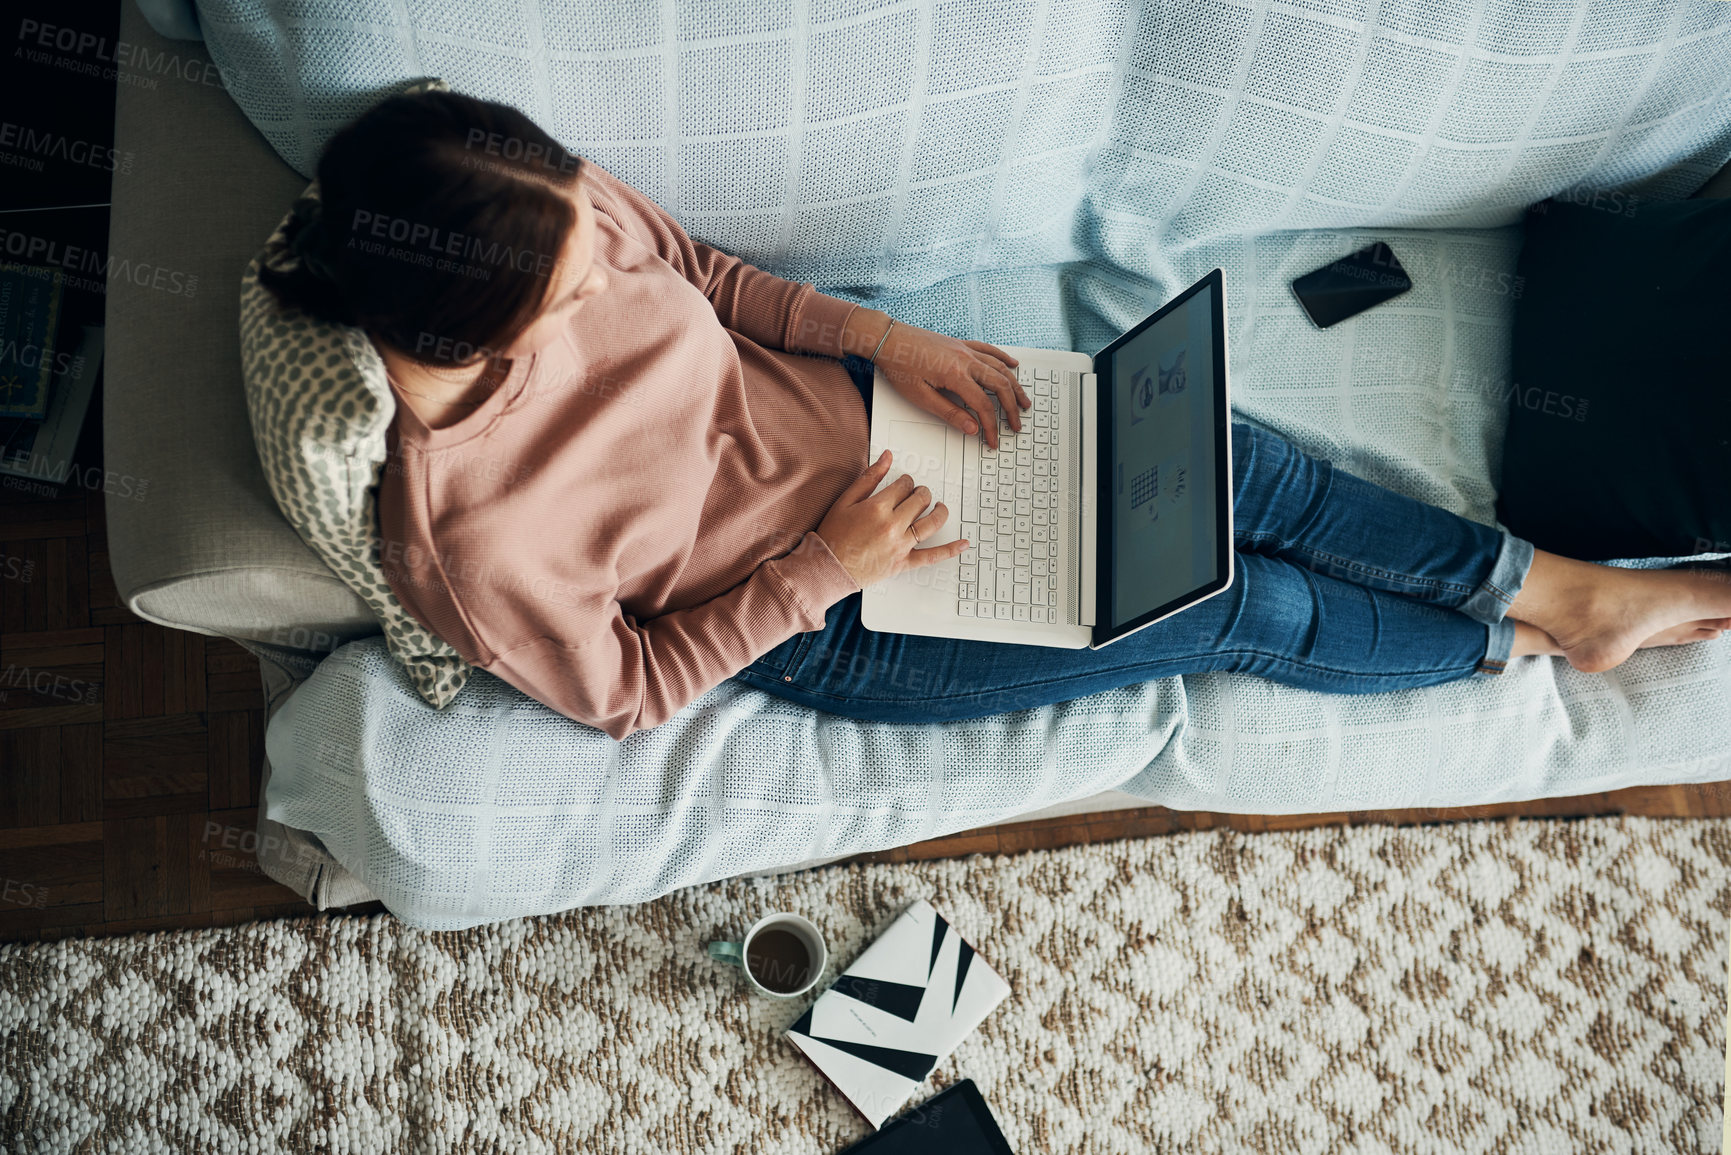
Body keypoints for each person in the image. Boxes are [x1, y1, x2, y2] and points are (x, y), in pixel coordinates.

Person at [260, 89, 1731, 740]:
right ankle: (1502, 645)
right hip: (841, 612)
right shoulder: (470, 538)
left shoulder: (545, 206)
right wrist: (822, 566)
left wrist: (886, 341)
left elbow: (706, 274)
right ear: (462, 327)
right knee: (1212, 601)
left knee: (1228, 466)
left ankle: (1558, 590)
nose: (610, 280)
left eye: (593, 242)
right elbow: (633, 695)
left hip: (879, 428)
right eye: (573, 297)